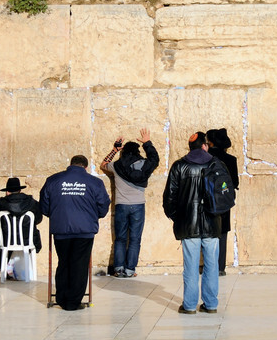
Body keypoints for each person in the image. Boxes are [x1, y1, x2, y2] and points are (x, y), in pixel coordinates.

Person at [163, 131, 229, 314]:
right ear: (204, 146)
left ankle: (190, 305)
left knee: (191, 266)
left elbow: (169, 198)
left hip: (188, 224)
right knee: (211, 265)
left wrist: (178, 217)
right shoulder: (217, 164)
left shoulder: (179, 166)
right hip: (212, 223)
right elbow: (226, 193)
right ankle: (211, 304)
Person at [40, 155, 111, 311]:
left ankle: (62, 298)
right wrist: (93, 215)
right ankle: (73, 302)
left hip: (61, 229)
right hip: (84, 230)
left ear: (70, 164)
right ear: (85, 167)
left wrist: (56, 215)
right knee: (80, 264)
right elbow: (103, 205)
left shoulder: (53, 180)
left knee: (64, 262)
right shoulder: (95, 182)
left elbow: (44, 206)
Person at [99, 128, 160, 278]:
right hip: (138, 205)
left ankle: (118, 269)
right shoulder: (145, 165)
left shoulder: (117, 166)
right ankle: (130, 270)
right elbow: (155, 160)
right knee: (134, 239)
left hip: (121, 206)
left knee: (120, 238)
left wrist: (114, 149)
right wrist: (147, 143)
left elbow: (103, 164)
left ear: (123, 152)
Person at [0, 177, 43, 275]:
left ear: (7, 192)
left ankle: (3, 269)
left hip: (6, 241)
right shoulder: (31, 202)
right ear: (20, 190)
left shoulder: (1, 204)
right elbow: (38, 219)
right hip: (28, 240)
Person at [205, 128, 240, 276]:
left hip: (207, 199)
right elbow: (236, 182)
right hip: (225, 200)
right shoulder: (231, 160)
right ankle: (220, 267)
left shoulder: (206, 158)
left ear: (211, 142)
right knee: (222, 233)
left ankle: (208, 265)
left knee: (207, 233)